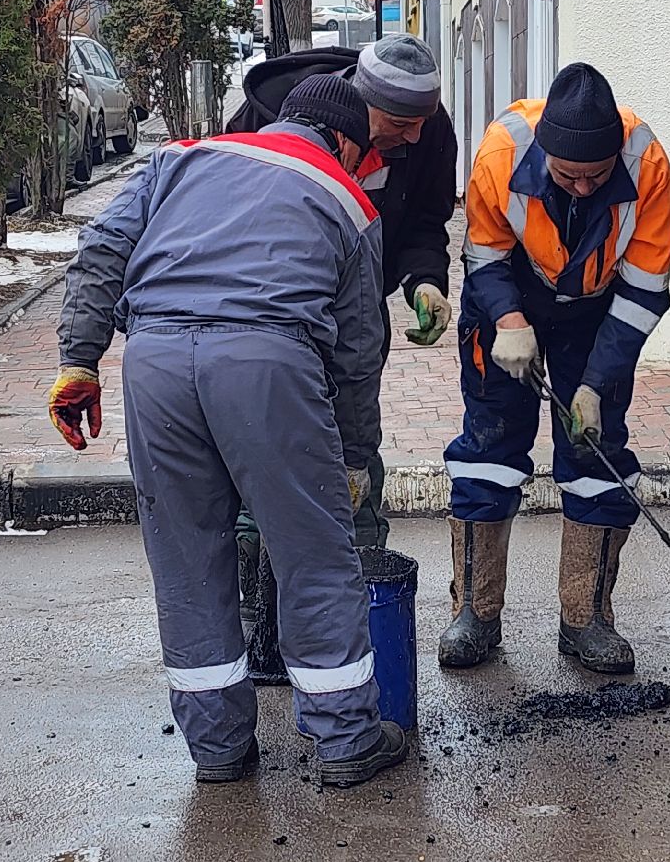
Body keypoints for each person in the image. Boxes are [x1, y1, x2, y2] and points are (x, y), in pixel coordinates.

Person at [46, 74, 411, 787]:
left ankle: (217, 747)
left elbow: (101, 250)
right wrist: (353, 458)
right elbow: (358, 354)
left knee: (185, 558)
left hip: (154, 364)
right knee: (314, 553)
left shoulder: (178, 159)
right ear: (343, 141)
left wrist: (78, 362)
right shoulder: (346, 197)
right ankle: (345, 741)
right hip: (266, 364)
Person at [439, 63, 670, 674]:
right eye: (568, 175)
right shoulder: (502, 153)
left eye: (596, 175)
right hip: (509, 297)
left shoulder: (647, 166)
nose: (582, 187)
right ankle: (475, 613)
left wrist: (596, 383)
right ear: (546, 153)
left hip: (596, 312)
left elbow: (644, 290)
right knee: (489, 447)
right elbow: (483, 254)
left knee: (596, 453)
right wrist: (508, 321)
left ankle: (586, 619)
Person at [225, 34, 459, 549]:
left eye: (423, 121)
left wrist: (425, 282)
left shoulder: (429, 129)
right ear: (359, 108)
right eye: (400, 124)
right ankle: (255, 564)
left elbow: (426, 221)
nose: (416, 136)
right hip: (268, 316)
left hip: (359, 306)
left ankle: (363, 556)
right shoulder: (263, 118)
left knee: (354, 435)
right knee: (266, 442)